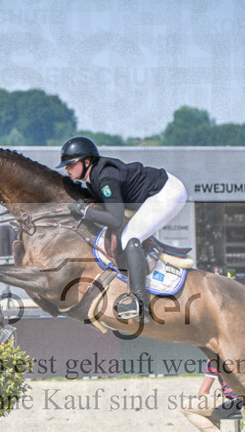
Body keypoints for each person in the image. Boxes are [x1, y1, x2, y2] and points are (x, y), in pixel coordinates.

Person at [57, 136, 187, 323]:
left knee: (130, 237)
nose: (67, 169)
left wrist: (85, 211)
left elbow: (116, 220)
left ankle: (139, 303)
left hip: (167, 192)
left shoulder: (105, 177)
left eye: (71, 164)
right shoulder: (93, 177)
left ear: (87, 162)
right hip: (155, 192)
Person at [180, 361, 244, 432]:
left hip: (232, 401)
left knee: (186, 407)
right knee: (210, 412)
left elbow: (203, 392)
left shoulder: (215, 358)